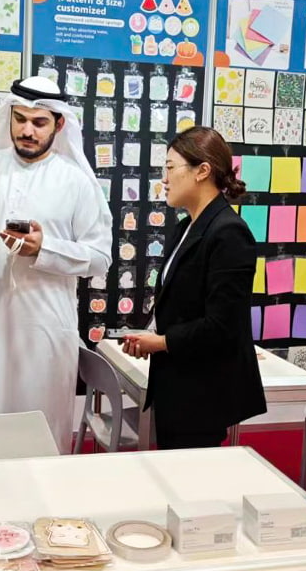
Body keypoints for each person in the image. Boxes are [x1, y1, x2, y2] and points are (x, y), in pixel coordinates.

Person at [0, 76, 113, 454]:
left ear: (59, 124)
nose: (27, 131)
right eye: (20, 119)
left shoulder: (77, 182)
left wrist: (44, 249)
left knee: (39, 439)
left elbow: (100, 257)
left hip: (44, 334)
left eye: (39, 122)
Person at [122, 126, 266, 450]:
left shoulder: (229, 233)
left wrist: (161, 342)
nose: (164, 179)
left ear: (202, 171)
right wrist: (153, 337)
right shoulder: (187, 226)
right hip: (177, 382)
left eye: (170, 167)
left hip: (202, 390)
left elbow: (222, 326)